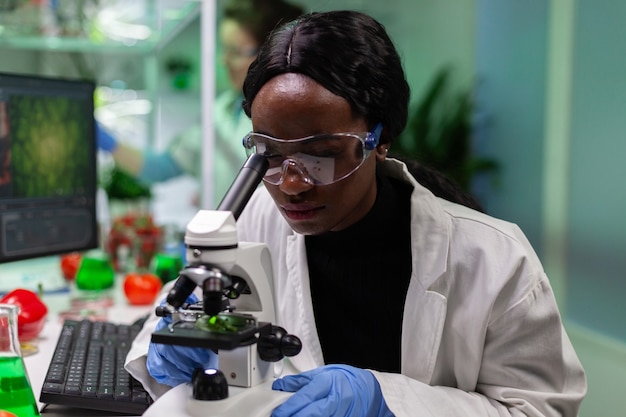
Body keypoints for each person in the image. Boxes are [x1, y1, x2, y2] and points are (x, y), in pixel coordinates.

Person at [125, 10, 587, 416]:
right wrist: (169, 344)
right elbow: (169, 319)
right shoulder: (251, 223)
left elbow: (539, 409)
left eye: (321, 154)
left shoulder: (494, 259)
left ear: (380, 140)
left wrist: (387, 400)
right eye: (267, 151)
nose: (291, 184)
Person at [97, 0, 304, 205]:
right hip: (220, 234)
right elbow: (160, 168)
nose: (224, 60)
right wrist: (105, 140)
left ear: (271, 53)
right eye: (224, 49)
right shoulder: (218, 110)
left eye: (235, 51)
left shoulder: (289, 115)